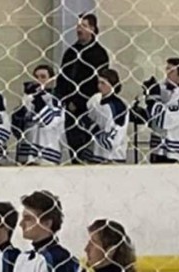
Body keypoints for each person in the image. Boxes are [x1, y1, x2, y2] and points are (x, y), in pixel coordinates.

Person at [56, 14, 110, 164]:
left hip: (88, 108)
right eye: (78, 26)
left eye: (83, 26)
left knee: (88, 148)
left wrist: (79, 102)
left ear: (92, 29)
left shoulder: (99, 54)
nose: (79, 29)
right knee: (74, 147)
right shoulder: (71, 52)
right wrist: (65, 99)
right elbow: (63, 77)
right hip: (69, 108)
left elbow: (98, 84)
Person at [142, 58, 179, 163]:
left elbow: (166, 120)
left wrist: (153, 99)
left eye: (171, 71)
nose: (167, 73)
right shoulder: (163, 89)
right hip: (158, 149)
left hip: (175, 151)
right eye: (167, 69)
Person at [12, 65, 63, 165]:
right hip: (26, 154)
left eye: (43, 77)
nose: (39, 80)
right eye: (36, 77)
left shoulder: (56, 100)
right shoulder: (28, 98)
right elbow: (17, 127)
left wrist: (37, 99)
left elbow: (48, 121)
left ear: (51, 80)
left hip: (46, 155)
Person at [84, 68, 129, 164]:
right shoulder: (95, 100)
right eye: (98, 83)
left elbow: (115, 136)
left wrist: (94, 130)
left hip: (112, 157)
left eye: (103, 83)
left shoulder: (117, 106)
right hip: (96, 154)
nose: (99, 86)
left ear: (112, 84)